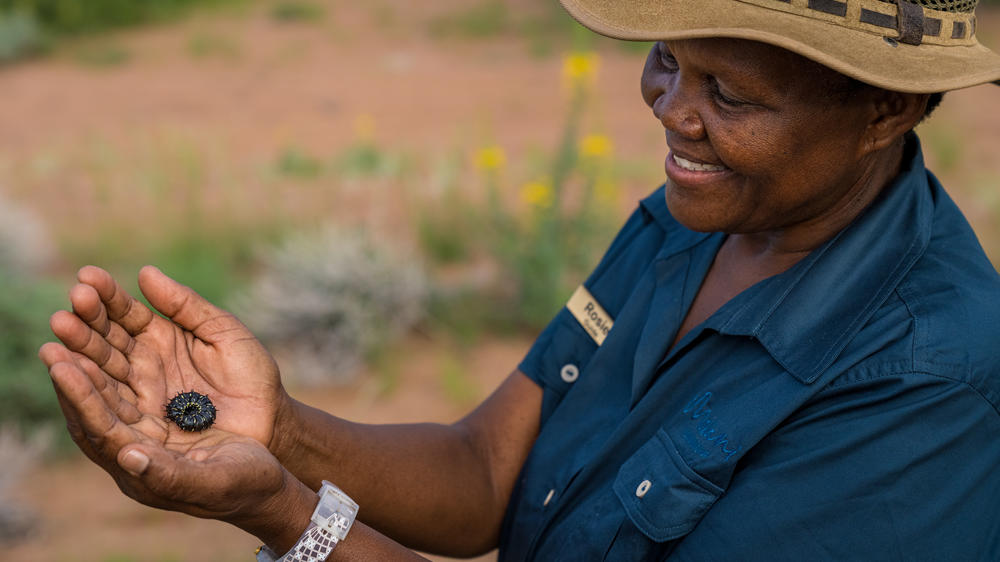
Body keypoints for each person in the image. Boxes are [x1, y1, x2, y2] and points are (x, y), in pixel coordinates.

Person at [38, 0, 1000, 560]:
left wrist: (287, 514)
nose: (671, 110)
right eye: (668, 61)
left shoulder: (925, 385)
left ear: (887, 108)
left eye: (733, 95)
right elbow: (487, 469)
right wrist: (276, 429)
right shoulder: (696, 220)